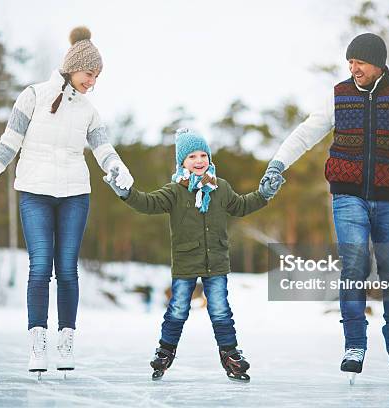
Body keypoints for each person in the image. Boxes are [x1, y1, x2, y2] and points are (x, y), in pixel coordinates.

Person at [259, 33, 389, 384]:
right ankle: (354, 345)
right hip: (347, 196)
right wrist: (276, 165)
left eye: (359, 62)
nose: (353, 67)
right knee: (354, 263)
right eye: (350, 62)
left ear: (377, 63)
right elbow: (305, 133)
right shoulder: (340, 95)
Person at [0, 27, 133, 378]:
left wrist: (118, 169)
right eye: (89, 74)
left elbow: (103, 149)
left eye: (97, 77)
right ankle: (37, 343)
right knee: (40, 267)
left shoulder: (88, 110)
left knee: (67, 269)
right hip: (35, 193)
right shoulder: (32, 97)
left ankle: (65, 340)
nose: (93, 82)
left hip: (75, 195)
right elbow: (8, 144)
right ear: (73, 67)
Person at [106, 128, 280, 382]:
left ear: (209, 158)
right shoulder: (174, 191)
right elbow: (147, 203)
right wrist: (126, 192)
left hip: (217, 261)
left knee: (220, 310)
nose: (199, 161)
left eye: (203, 155)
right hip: (186, 262)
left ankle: (230, 354)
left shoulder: (221, 188)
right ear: (181, 162)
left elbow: (241, 205)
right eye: (192, 156)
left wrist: (264, 194)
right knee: (177, 309)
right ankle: (165, 351)